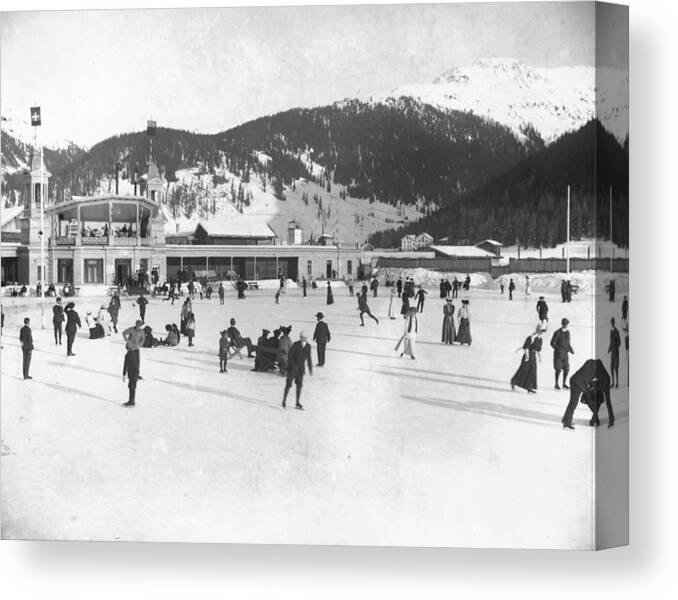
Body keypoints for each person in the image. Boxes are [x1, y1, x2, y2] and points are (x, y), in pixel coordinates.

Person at [561, 359, 614, 430]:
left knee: (572, 403)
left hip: (575, 380)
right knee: (573, 403)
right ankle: (566, 424)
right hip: (577, 384)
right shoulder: (599, 373)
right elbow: (607, 402)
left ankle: (565, 419)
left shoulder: (591, 365)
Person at [282, 331, 313, 410]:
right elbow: (290, 355)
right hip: (292, 369)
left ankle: (297, 402)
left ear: (306, 338)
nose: (302, 339)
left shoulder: (308, 346)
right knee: (288, 384)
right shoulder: (296, 344)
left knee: (299, 385)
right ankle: (284, 401)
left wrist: (310, 368)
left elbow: (309, 358)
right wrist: (293, 365)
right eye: (301, 337)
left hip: (300, 370)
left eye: (304, 338)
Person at [510, 324, 545, 393]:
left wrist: (539, 357)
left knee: (533, 371)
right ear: (538, 330)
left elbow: (538, 349)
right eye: (541, 331)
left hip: (533, 356)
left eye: (543, 331)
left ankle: (529, 388)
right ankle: (514, 381)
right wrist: (527, 356)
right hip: (528, 355)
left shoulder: (540, 339)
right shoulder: (531, 337)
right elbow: (526, 347)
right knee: (523, 370)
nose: (542, 332)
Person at [550, 318, 574, 390]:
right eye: (565, 324)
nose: (566, 326)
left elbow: (568, 343)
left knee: (566, 369)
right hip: (558, 355)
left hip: (565, 354)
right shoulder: (557, 332)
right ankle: (556, 384)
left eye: (567, 324)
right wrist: (558, 349)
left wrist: (571, 349)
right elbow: (552, 343)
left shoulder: (567, 332)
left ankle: (564, 384)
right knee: (558, 369)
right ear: (562, 324)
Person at [608, 318, 621, 388]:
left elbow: (619, 342)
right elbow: (610, 342)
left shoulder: (616, 331)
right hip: (612, 353)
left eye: (613, 322)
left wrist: (616, 348)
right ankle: (613, 382)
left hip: (616, 353)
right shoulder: (611, 331)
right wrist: (609, 349)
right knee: (611, 368)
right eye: (611, 322)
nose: (612, 324)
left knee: (616, 368)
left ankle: (617, 383)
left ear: (614, 323)